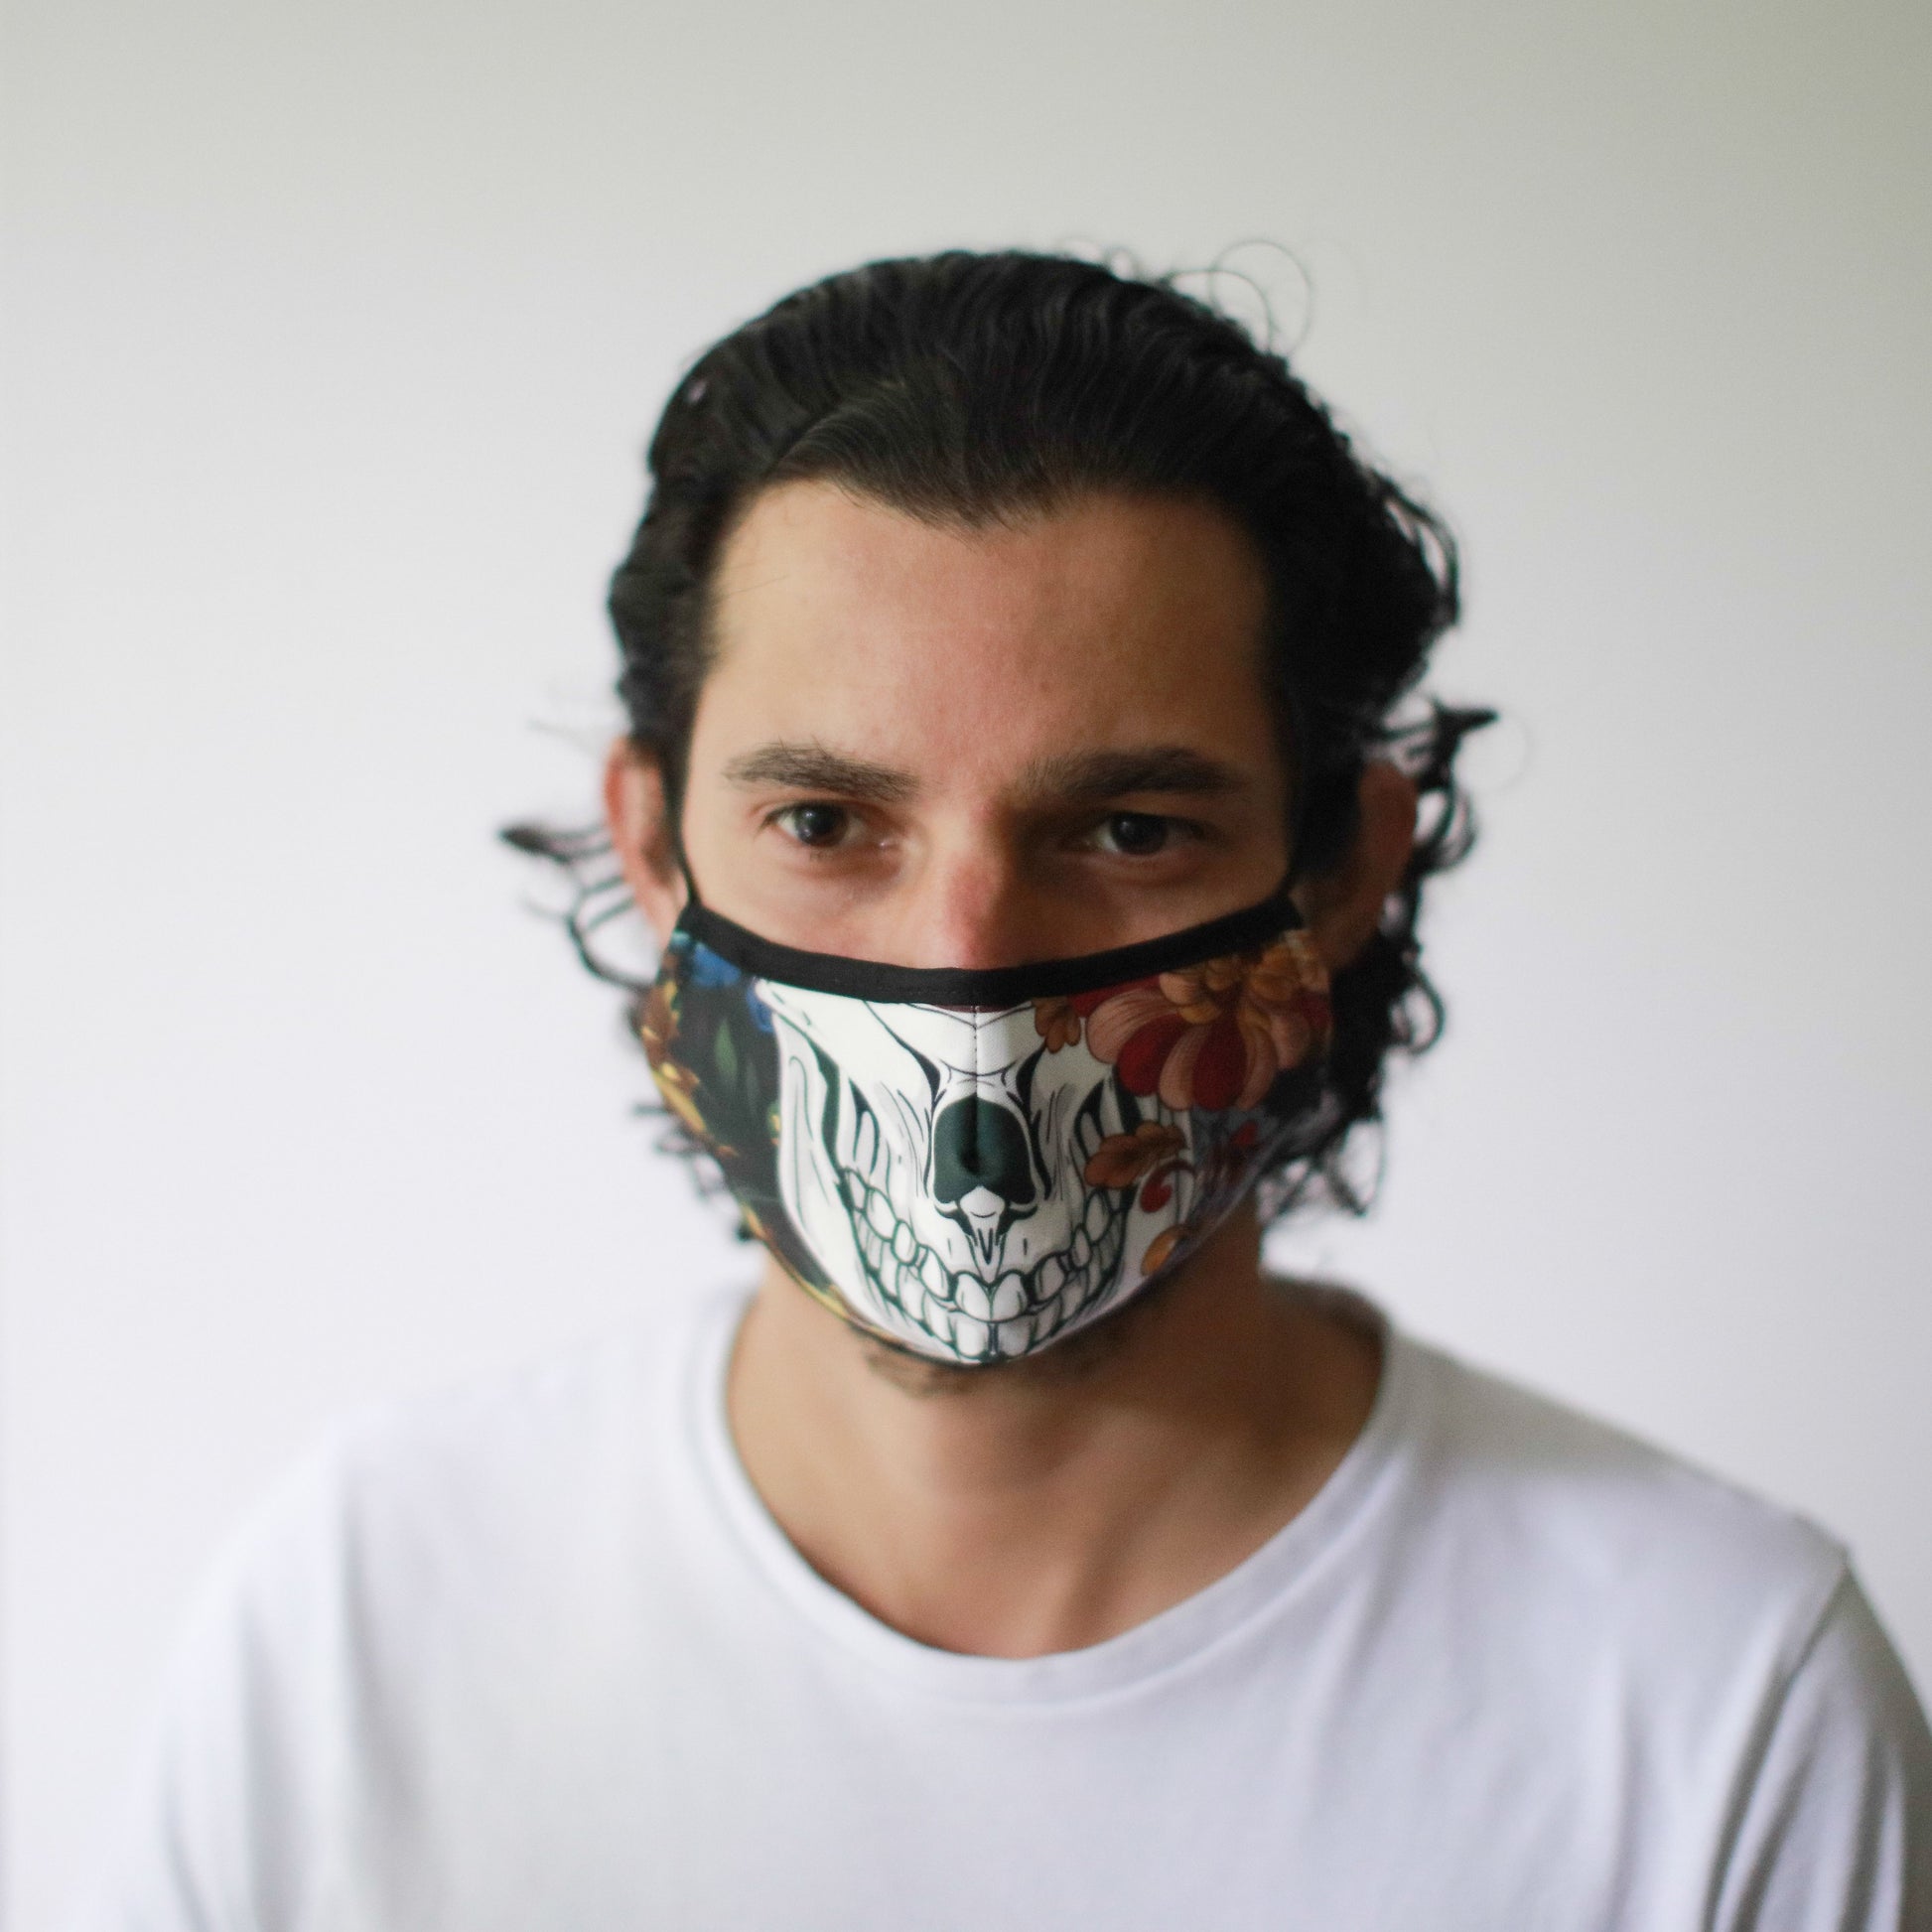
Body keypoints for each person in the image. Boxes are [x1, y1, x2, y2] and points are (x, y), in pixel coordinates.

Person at [77, 250, 1931, 1929]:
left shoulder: (1715, 1701)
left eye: (1126, 829)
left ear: (1344, 866)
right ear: (651, 845)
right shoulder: (360, 1620)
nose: (965, 975)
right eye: (826, 822)